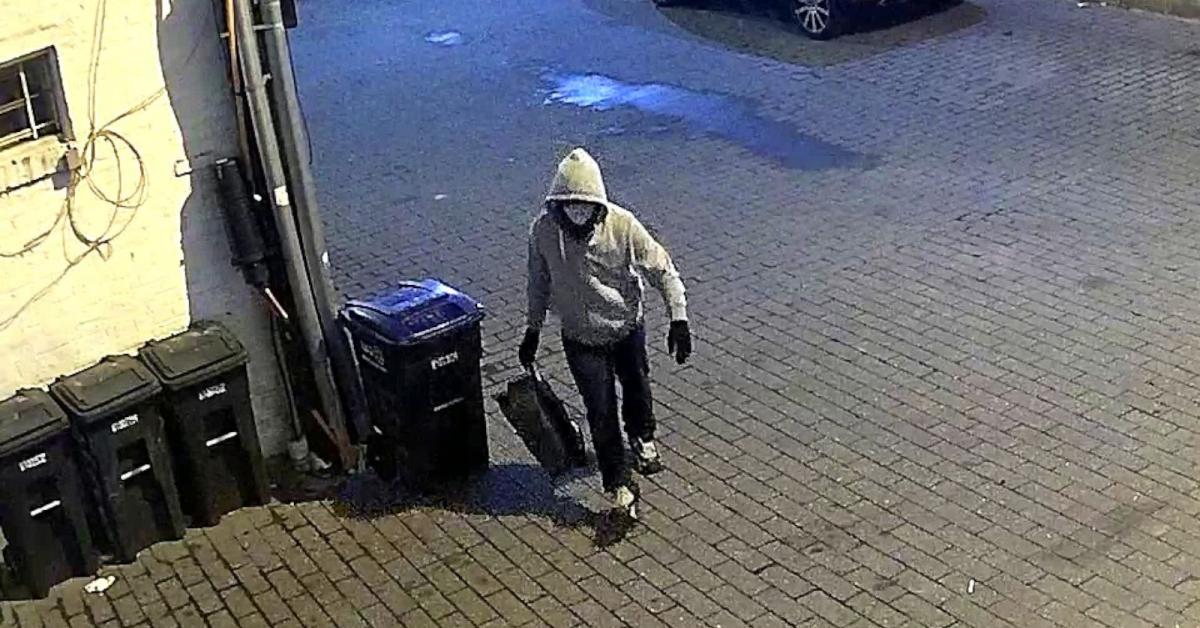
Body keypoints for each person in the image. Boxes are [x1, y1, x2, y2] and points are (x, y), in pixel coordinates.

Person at [520, 147, 692, 520]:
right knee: (600, 411)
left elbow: (662, 269)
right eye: (570, 206)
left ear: (597, 205)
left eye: (584, 206)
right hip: (580, 338)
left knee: (636, 386)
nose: (577, 215)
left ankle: (642, 436)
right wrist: (532, 328)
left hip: (625, 327)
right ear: (558, 205)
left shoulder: (623, 226)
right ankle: (617, 482)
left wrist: (678, 317)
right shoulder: (544, 232)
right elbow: (538, 282)